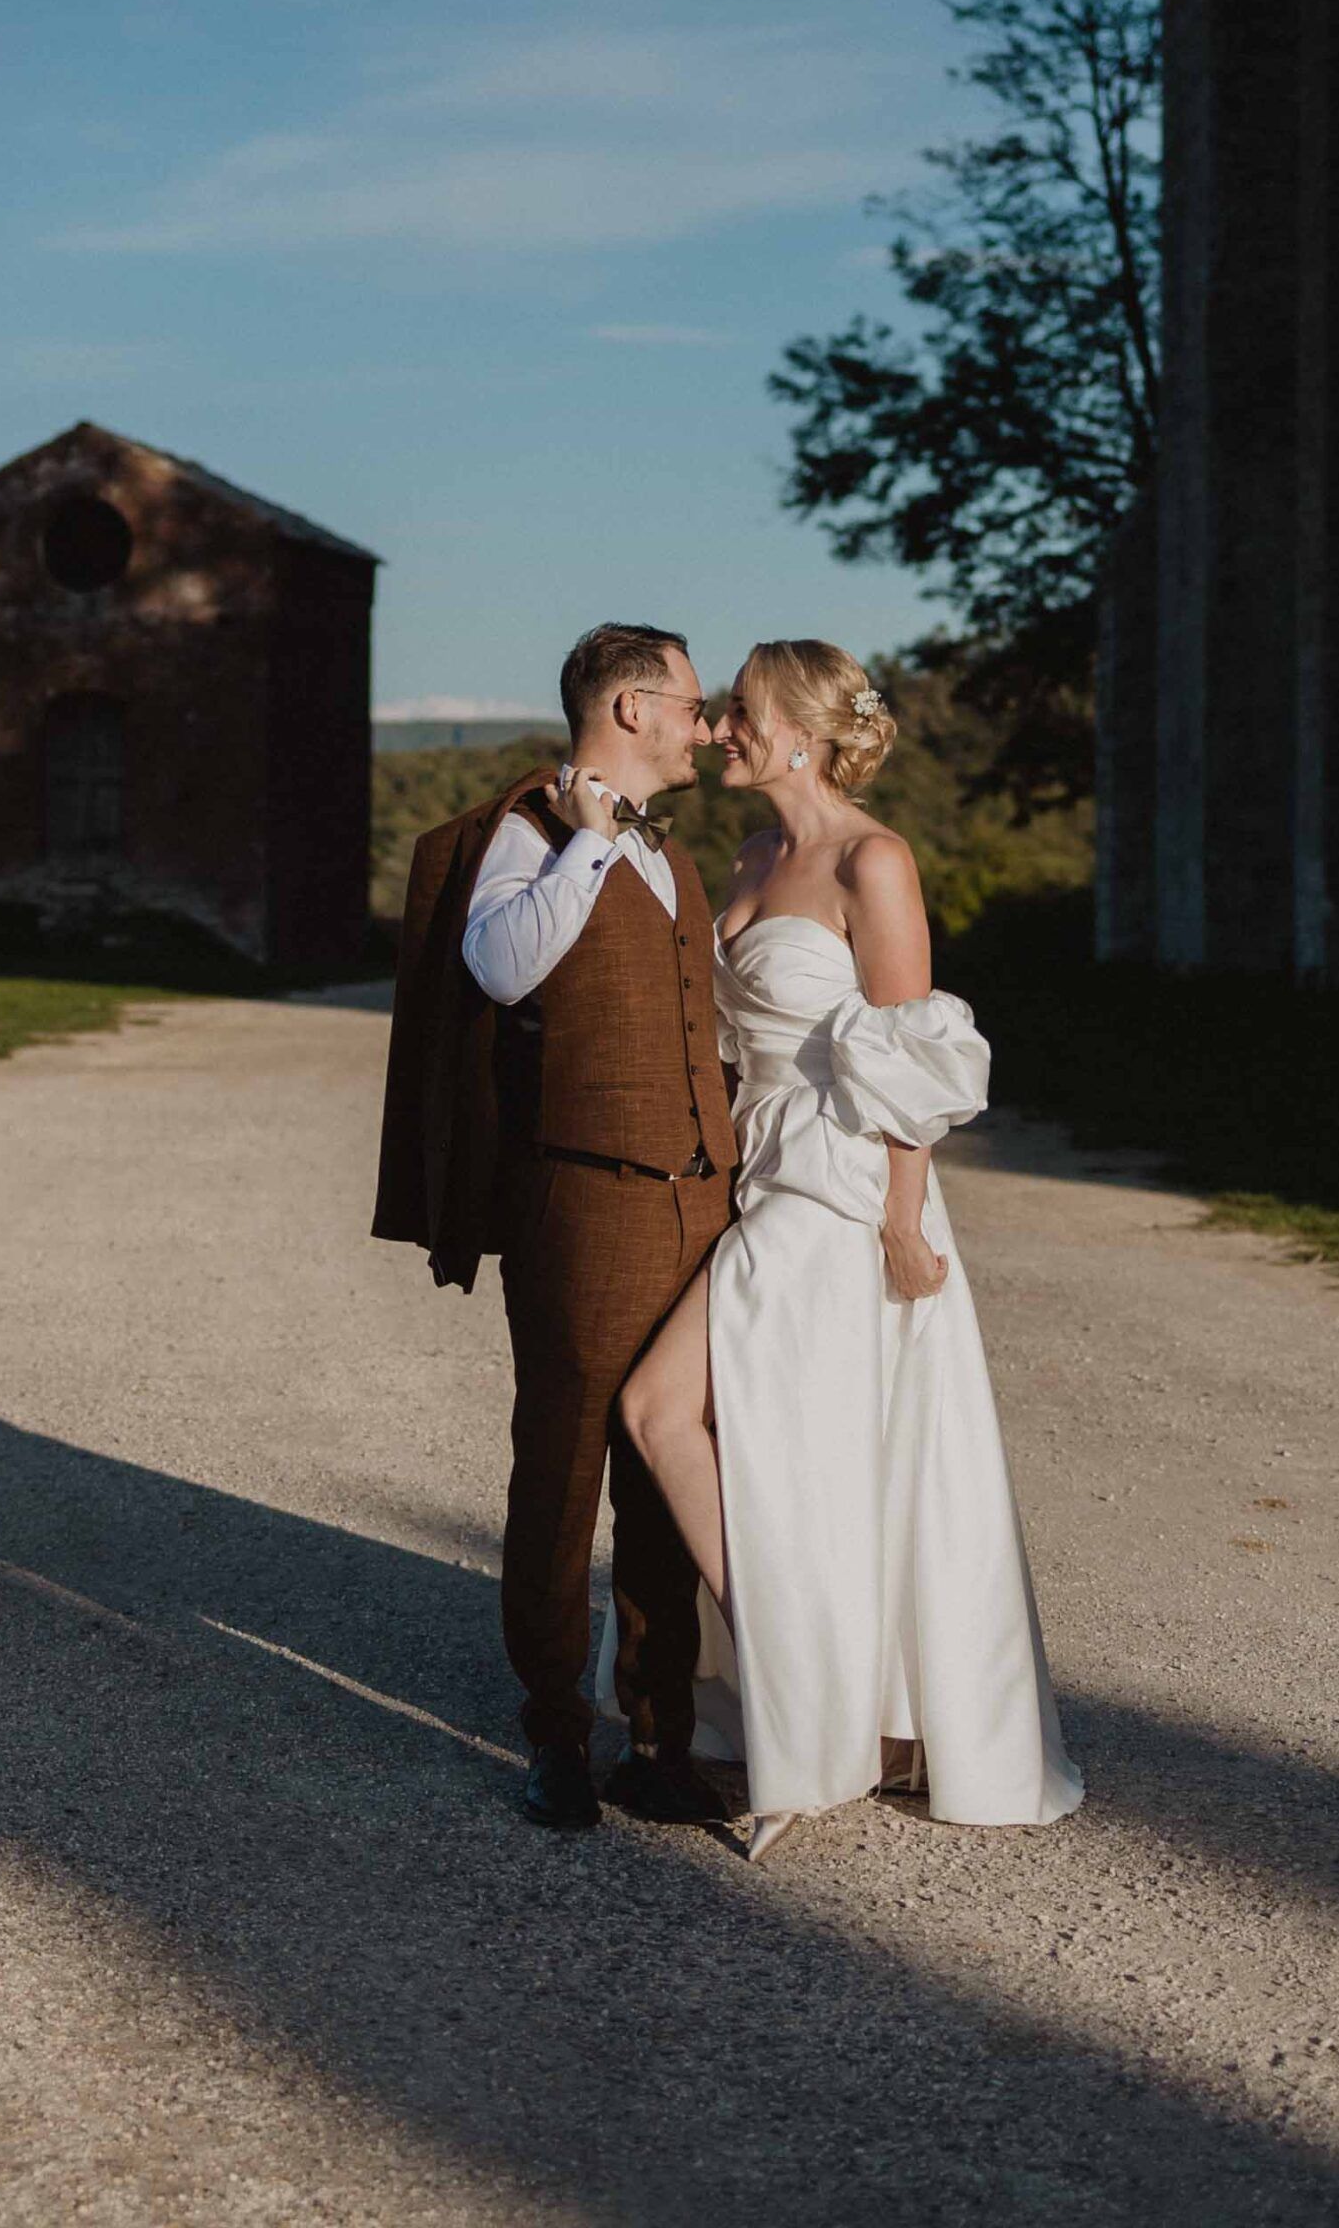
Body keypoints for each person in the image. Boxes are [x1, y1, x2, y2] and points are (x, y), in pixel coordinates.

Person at [614, 638, 1084, 1862]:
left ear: (805, 734)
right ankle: (818, 1697)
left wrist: (902, 1222)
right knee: (799, 1454)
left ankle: (806, 1695)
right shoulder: (755, 853)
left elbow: (910, 1053)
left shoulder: (875, 858)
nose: (723, 729)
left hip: (836, 1190)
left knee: (662, 1408)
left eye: (746, 713)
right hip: (760, 1174)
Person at [372, 622, 737, 1831]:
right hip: (582, 1198)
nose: (704, 722)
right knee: (566, 1464)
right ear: (631, 708)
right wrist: (583, 846)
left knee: (668, 1465)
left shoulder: (674, 861)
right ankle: (556, 1737)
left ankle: (660, 1736)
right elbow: (501, 966)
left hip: (700, 1199)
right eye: (691, 702)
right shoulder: (531, 832)